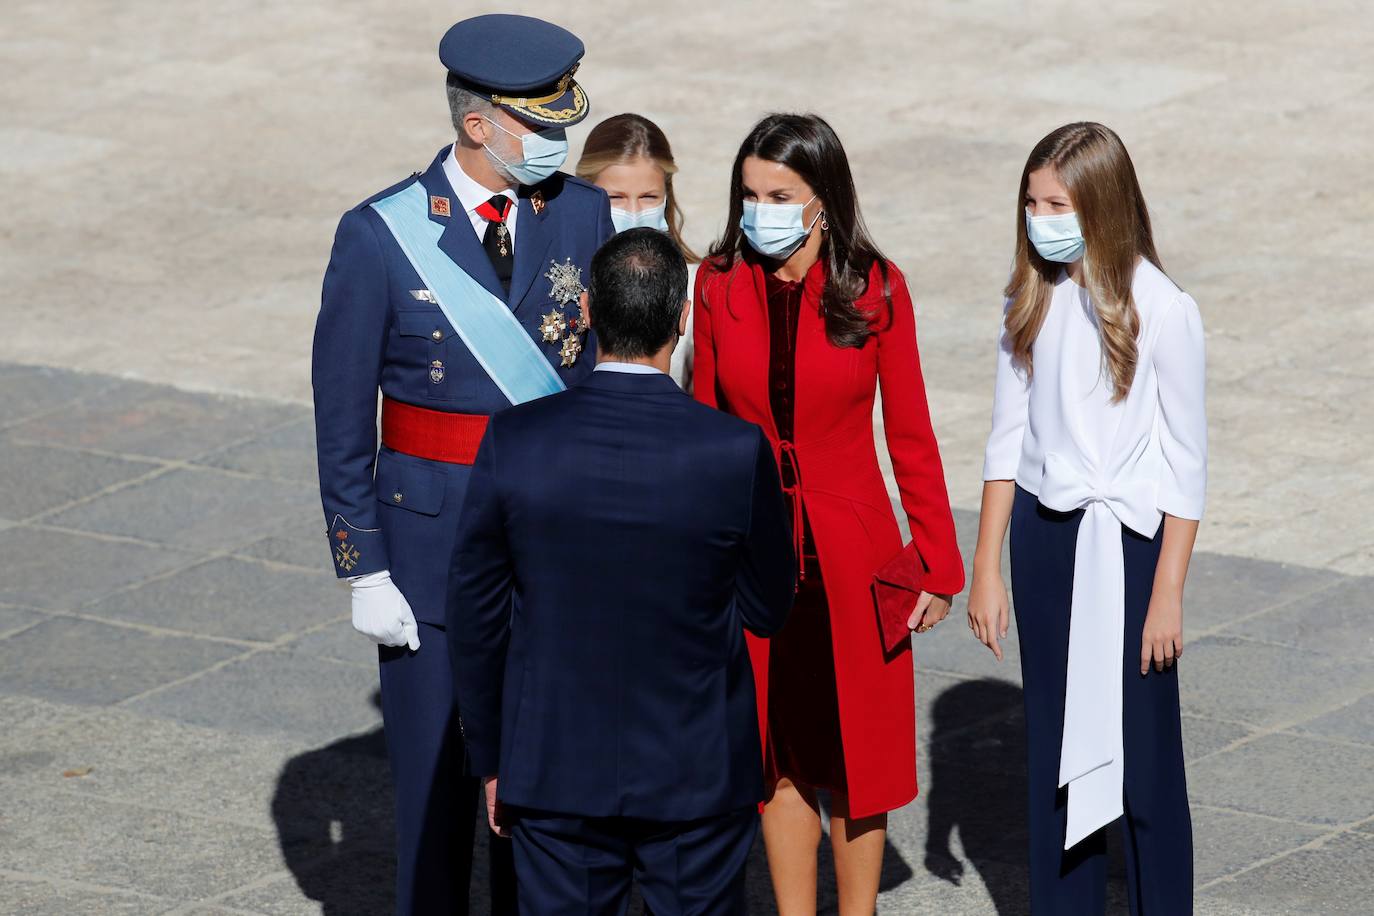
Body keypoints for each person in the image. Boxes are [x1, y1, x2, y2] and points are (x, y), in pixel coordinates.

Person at [310, 13, 612, 914]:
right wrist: (363, 565)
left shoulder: (583, 212)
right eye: (541, 124)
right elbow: (341, 419)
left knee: (539, 795)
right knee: (437, 797)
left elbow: (601, 381)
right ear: (479, 125)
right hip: (429, 551)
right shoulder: (379, 235)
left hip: (550, 545)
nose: (558, 141)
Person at [448, 228, 796, 914]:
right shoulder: (733, 450)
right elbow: (768, 605)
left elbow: (476, 615)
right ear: (683, 317)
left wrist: (492, 758)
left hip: (553, 764)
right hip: (695, 767)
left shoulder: (516, 441)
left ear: (585, 312)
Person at [693, 113, 965, 915]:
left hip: (851, 557)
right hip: (753, 553)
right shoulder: (716, 283)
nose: (760, 211)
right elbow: (704, 425)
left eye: (780, 194)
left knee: (854, 760)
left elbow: (910, 433)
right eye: (749, 194)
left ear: (823, 201)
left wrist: (938, 564)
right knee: (773, 757)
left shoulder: (876, 288)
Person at [967, 121, 1206, 914]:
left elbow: (1186, 461)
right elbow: (1006, 441)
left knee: (1144, 763)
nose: (1041, 217)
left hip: (1132, 549)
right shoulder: (1029, 299)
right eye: (1032, 202)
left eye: (1058, 202)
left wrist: (1167, 590)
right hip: (1047, 542)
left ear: (1101, 205)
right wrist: (986, 568)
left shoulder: (1164, 309)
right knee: (1055, 749)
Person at [576, 112, 700, 390]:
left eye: (648, 197)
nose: (633, 213)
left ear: (666, 195)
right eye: (615, 197)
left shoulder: (696, 283)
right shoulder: (562, 275)